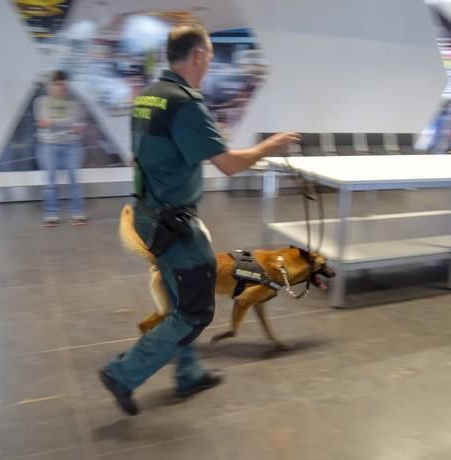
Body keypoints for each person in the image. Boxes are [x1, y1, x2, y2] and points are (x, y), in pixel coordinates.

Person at [98, 24, 299, 416]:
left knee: (179, 298)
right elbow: (227, 164)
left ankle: (188, 373)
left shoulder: (149, 96)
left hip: (148, 213)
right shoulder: (185, 102)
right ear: (197, 55)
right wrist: (269, 146)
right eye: (208, 55)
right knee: (195, 311)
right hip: (174, 224)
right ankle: (123, 373)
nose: (209, 63)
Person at [34, 70, 86, 227]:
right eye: (57, 85)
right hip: (47, 145)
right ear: (50, 85)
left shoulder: (74, 102)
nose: (60, 88)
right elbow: (43, 122)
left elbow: (75, 123)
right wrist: (68, 124)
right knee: (50, 181)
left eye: (63, 85)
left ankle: (77, 213)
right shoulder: (40, 102)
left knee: (74, 180)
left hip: (72, 145)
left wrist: (53, 122)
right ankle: (51, 214)